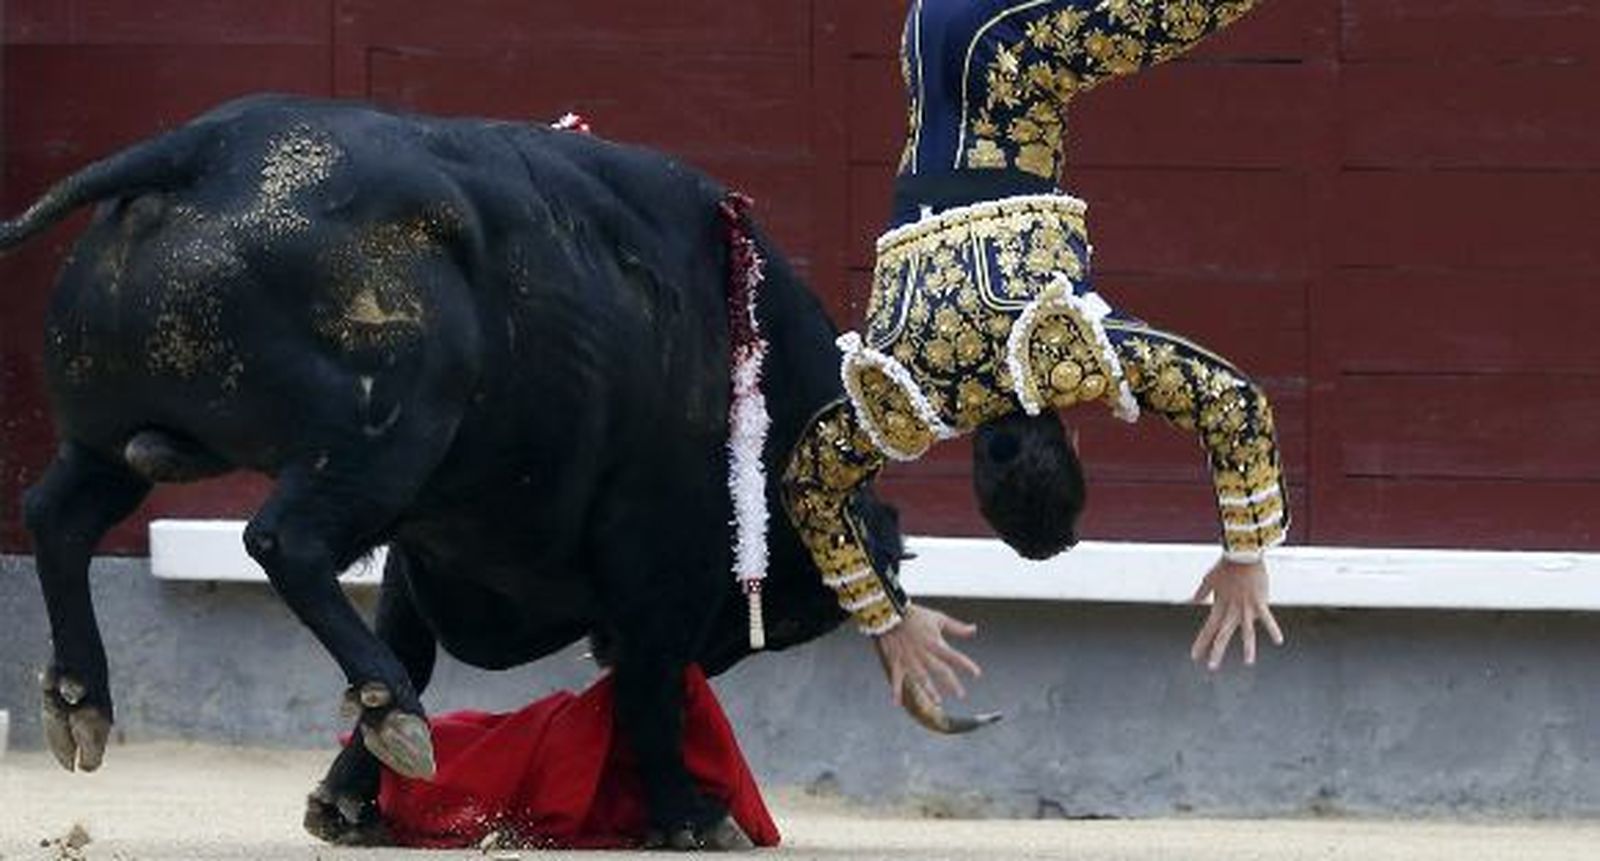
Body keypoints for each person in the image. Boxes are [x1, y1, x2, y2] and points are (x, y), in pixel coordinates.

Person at [780, 0, 1288, 712]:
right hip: (925, 37)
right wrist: (885, 618)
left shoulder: (1062, 358)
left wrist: (1244, 555)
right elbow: (811, 489)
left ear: (1072, 435)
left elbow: (1235, 406)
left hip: (1013, 52)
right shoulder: (907, 397)